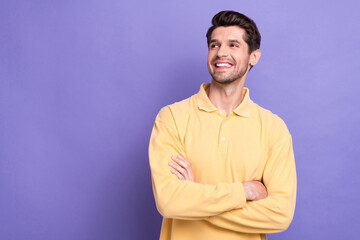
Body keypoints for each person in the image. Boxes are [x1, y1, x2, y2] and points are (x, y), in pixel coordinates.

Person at [148, 10, 297, 240]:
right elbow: (169, 201)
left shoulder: (273, 128)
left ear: (253, 57)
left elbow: (280, 214)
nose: (221, 53)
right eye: (214, 45)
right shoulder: (172, 117)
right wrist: (244, 191)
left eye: (233, 45)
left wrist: (195, 201)